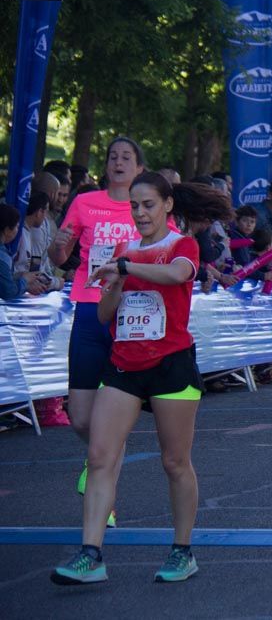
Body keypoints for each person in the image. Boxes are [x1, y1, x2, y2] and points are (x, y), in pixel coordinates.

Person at [50, 171, 232, 585]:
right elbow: (103, 314)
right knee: (100, 456)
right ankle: (91, 554)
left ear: (167, 205)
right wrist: (115, 284)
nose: (140, 213)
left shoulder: (181, 245)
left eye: (148, 204)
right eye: (134, 206)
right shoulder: (123, 250)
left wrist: (127, 267)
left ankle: (182, 551)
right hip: (124, 365)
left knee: (175, 462)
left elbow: (178, 275)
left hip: (171, 364)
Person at [48, 138, 149, 521]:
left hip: (130, 314)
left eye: (126, 157)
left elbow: (168, 250)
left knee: (114, 417)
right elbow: (60, 256)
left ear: (139, 168)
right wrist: (58, 247)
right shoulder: (84, 202)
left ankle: (104, 499)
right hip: (90, 310)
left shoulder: (147, 207)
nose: (118, 162)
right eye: (112, 157)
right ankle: (97, 459)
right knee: (80, 417)